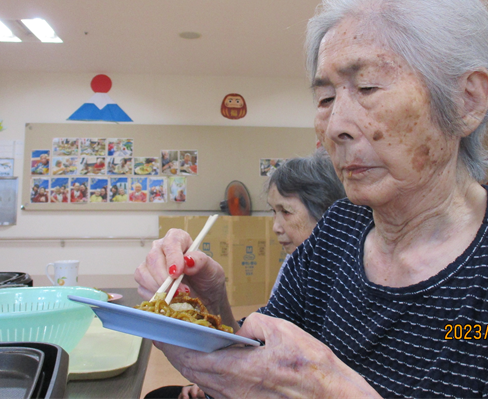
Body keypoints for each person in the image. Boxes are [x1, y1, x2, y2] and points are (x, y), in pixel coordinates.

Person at [134, 0, 488, 398]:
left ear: (466, 101)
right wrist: (211, 307)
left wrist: (332, 390)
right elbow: (262, 375)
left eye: (367, 87)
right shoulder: (338, 231)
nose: (335, 125)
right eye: (325, 98)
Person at [143, 150, 345, 399]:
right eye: (273, 211)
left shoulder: (340, 275)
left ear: (329, 213)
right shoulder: (295, 265)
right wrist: (212, 300)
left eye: (286, 212)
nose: (276, 227)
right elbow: (254, 342)